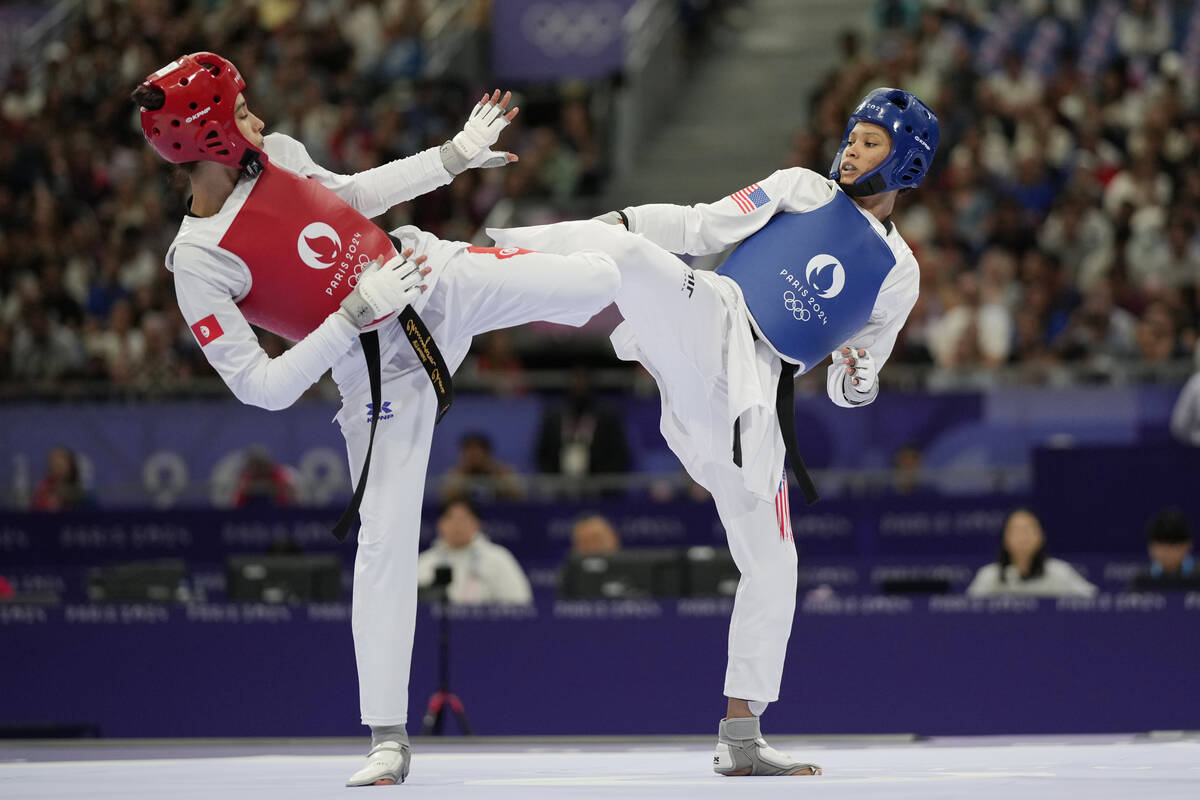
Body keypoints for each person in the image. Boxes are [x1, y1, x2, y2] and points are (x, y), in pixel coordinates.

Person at [131, 53, 619, 787]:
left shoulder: (279, 156)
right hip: (376, 373)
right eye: (240, 113)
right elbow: (262, 388)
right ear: (206, 139)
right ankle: (388, 737)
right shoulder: (196, 260)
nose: (257, 121)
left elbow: (353, 193)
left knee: (602, 278)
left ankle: (649, 293)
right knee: (385, 542)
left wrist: (453, 158)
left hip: (433, 280)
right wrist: (353, 313)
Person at [491, 87, 941, 777]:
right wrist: (621, 219)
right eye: (853, 134)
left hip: (752, 404)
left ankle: (741, 736)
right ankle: (474, 263)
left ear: (906, 163)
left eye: (872, 141)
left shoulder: (899, 272)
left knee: (776, 562)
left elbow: (859, 389)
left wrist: (857, 374)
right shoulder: (798, 187)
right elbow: (702, 228)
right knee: (631, 258)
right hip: (714, 318)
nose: (852, 147)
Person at [415, 499, 533, 605]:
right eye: (450, 518)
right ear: (440, 524)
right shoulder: (424, 562)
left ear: (476, 523)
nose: (457, 525)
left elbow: (520, 602)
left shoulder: (498, 558)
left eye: (463, 518)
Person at [965, 508, 1097, 598]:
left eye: (1028, 530)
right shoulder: (989, 576)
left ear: (1040, 537)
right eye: (1016, 531)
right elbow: (968, 610)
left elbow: (1093, 601)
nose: (1023, 536)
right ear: (1005, 539)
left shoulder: (1060, 572)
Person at [438, 432, 524, 503]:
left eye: (477, 453)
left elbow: (519, 495)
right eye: (470, 453)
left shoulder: (502, 471)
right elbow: (444, 498)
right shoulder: (456, 474)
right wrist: (464, 473)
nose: (474, 457)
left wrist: (496, 474)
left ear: (487, 453)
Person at [1130, 509, 1198, 590]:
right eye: (1162, 546)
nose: (1168, 553)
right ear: (1151, 547)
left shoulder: (1198, 576)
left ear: (1188, 546)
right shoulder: (1140, 581)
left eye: (1173, 546)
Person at [31, 446, 92, 512]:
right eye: (54, 465)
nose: (58, 470)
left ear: (71, 467)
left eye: (60, 466)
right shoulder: (41, 493)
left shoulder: (83, 496)